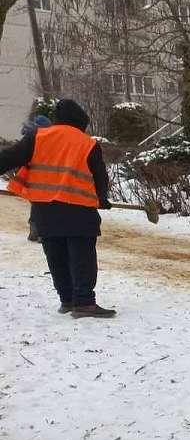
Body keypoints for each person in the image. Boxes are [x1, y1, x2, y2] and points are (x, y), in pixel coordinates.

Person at [0, 99, 116, 318]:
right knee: (82, 257)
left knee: (56, 256)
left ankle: (67, 300)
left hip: (45, 210)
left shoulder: (38, 137)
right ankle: (84, 302)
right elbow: (100, 176)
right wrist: (102, 199)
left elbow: (8, 157)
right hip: (79, 211)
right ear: (81, 121)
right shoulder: (87, 143)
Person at [22, 115, 52, 243]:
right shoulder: (41, 138)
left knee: (36, 204)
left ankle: (34, 232)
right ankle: (41, 233)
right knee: (44, 206)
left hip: (33, 176)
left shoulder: (30, 137)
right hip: (43, 177)